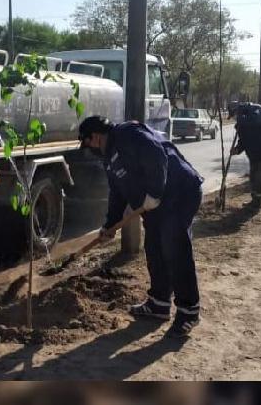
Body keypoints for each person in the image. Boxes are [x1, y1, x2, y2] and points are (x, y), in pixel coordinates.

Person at [78, 116, 205, 338]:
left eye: (87, 142)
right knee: (154, 248)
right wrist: (109, 225)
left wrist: (155, 192)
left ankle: (189, 311)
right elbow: (117, 193)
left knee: (174, 249)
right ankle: (159, 303)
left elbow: (156, 155)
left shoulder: (128, 134)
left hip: (179, 193)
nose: (88, 148)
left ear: (96, 137)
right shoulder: (109, 157)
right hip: (155, 203)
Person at [231, 102, 261, 210]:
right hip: (254, 154)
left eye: (235, 115)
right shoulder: (243, 124)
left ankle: (258, 203)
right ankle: (254, 200)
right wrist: (237, 150)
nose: (234, 118)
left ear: (241, 112)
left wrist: (241, 122)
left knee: (260, 177)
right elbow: (243, 140)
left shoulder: (257, 110)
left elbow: (257, 122)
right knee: (253, 177)